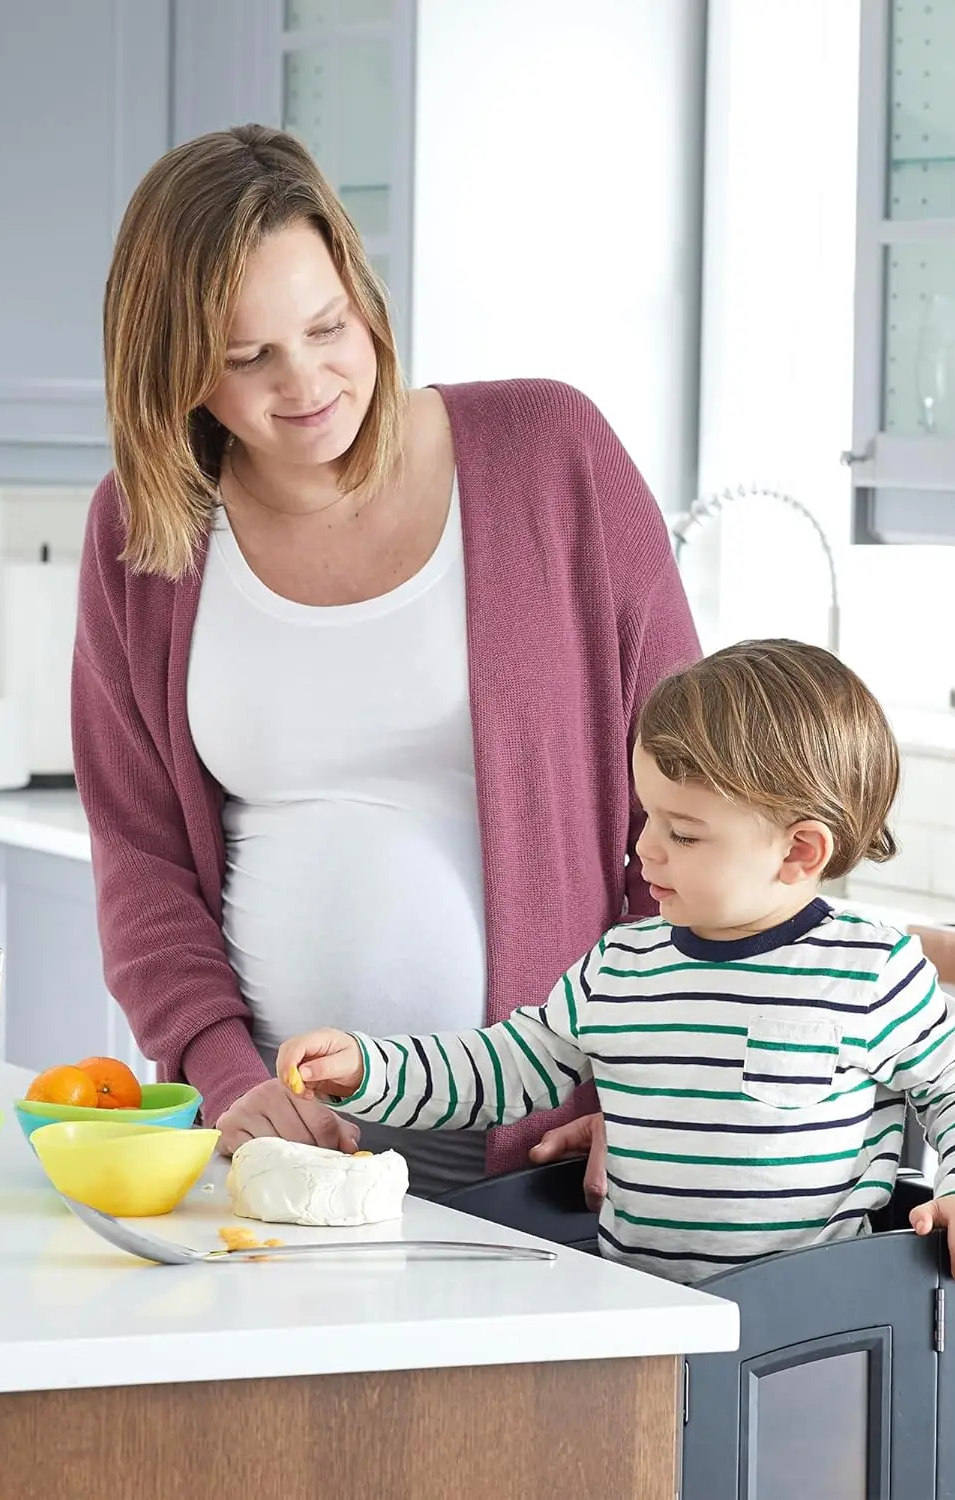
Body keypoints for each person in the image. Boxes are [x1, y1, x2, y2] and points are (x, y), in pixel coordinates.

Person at [71, 124, 699, 1198]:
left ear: (364, 291)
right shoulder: (147, 533)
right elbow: (140, 858)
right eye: (245, 355)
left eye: (327, 325)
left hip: (544, 1149)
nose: (307, 379)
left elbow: (705, 799)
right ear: (176, 373)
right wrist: (223, 1075)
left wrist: (650, 1089)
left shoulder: (549, 455)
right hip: (282, 1156)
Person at [275, 640, 955, 1286]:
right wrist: (370, 1072)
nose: (646, 850)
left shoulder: (870, 969)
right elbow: (501, 1069)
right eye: (648, 818)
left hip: (808, 1334)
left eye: (685, 834)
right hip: (644, 1313)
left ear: (799, 851)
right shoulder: (622, 966)